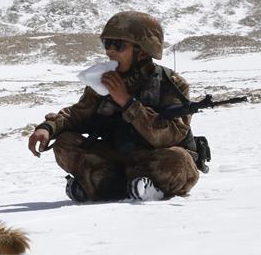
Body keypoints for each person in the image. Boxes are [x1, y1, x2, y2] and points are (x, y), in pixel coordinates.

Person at [27, 11, 201, 202]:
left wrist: (127, 102)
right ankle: (113, 185)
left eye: (118, 45)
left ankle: (125, 187)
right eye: (106, 44)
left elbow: (172, 134)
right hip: (115, 158)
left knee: (179, 160)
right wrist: (47, 128)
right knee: (64, 142)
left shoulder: (172, 84)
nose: (110, 51)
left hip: (153, 160)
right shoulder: (103, 82)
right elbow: (78, 115)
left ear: (142, 50)